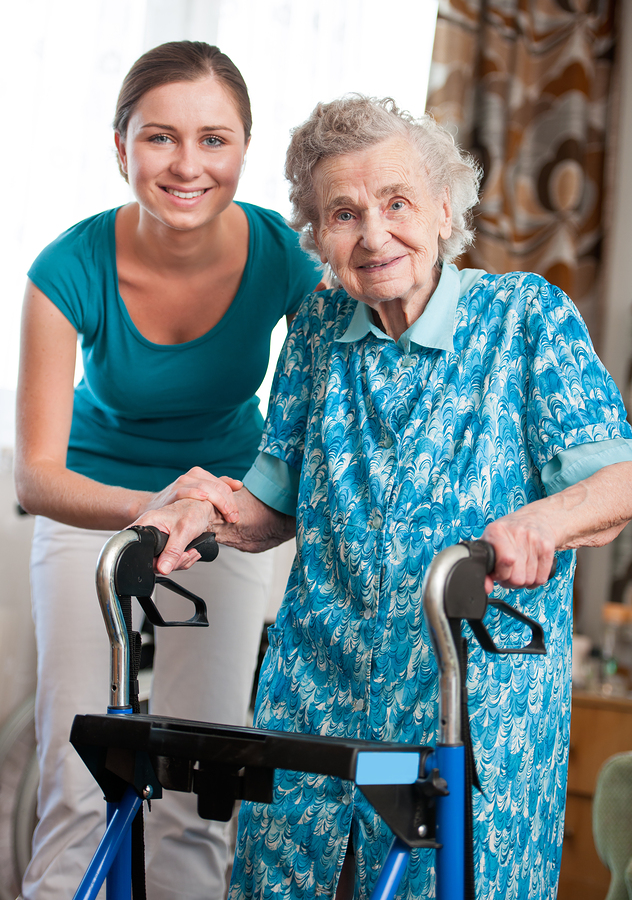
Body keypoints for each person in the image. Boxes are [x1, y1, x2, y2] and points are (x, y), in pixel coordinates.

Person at [134, 96, 632, 900]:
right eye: (343, 213)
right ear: (319, 235)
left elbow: (619, 483)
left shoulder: (524, 318)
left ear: (443, 207)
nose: (373, 235)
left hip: (467, 706)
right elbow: (274, 502)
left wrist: (544, 519)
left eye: (396, 202)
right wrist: (208, 513)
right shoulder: (320, 326)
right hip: (313, 702)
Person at [14, 41, 321, 900]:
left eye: (214, 140)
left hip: (222, 518)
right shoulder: (66, 267)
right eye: (160, 138)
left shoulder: (287, 257)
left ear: (245, 150)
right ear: (121, 148)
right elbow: (34, 477)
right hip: (95, 512)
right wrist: (157, 505)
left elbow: (328, 410)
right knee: (79, 781)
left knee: (198, 778)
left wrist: (222, 508)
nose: (188, 165)